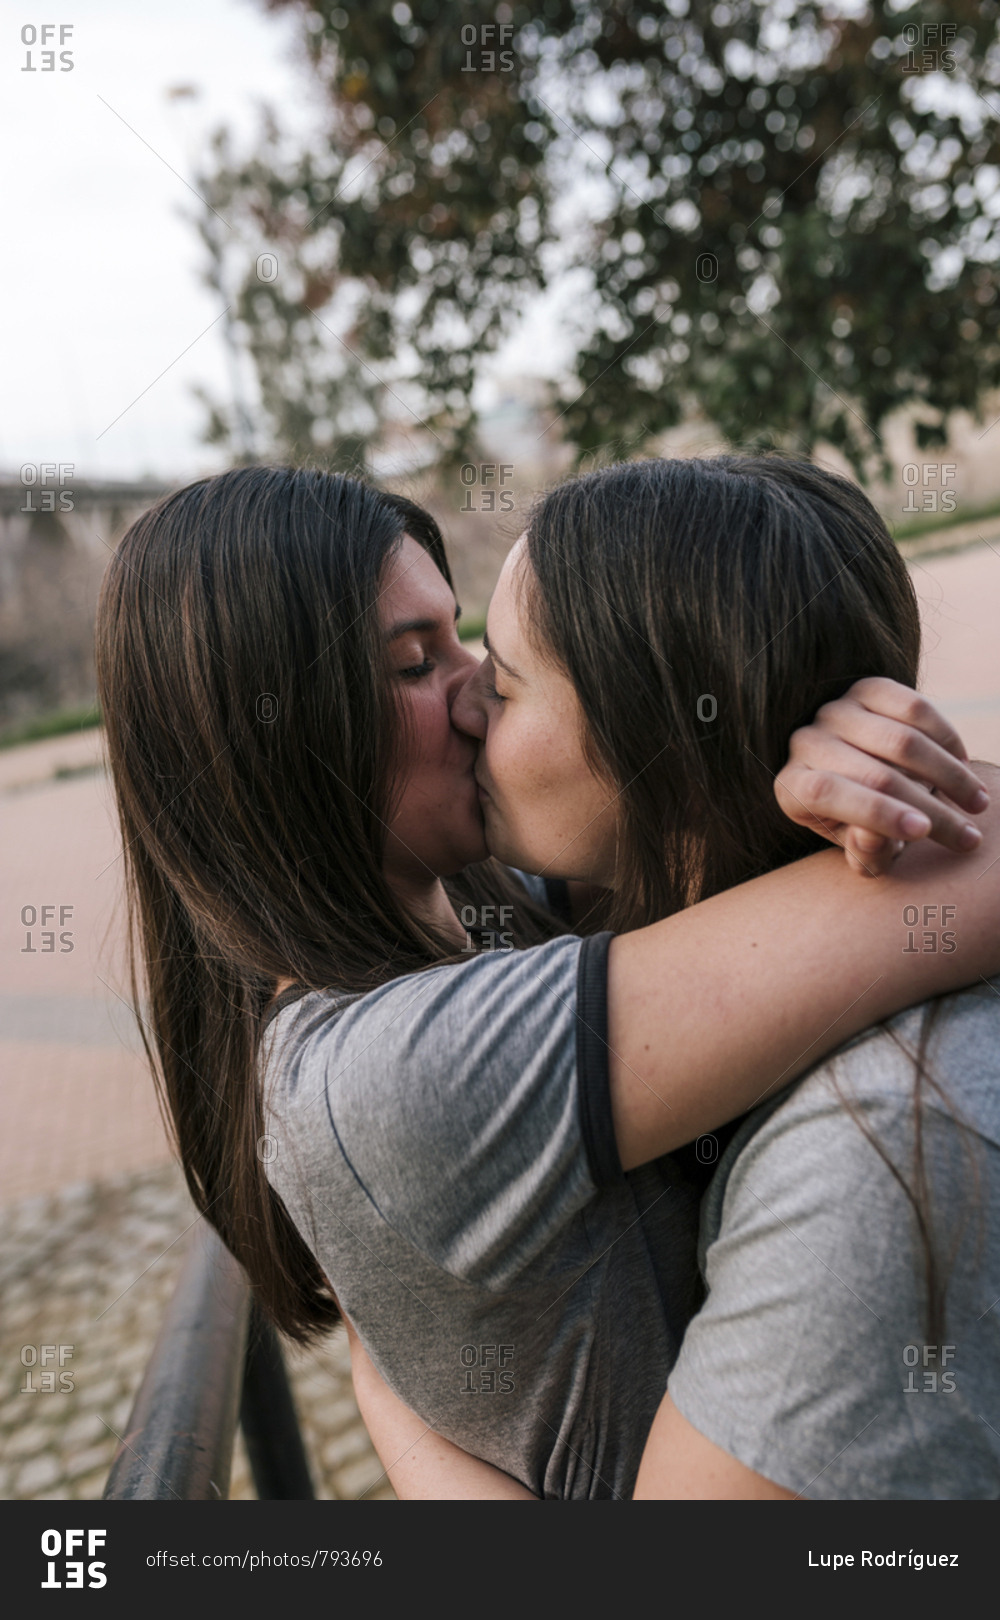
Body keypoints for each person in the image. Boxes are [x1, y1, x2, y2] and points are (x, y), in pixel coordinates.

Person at [94, 459, 999, 1501]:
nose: (475, 695)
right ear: (284, 741)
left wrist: (830, 768)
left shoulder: (491, 916)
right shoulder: (390, 1071)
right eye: (413, 663)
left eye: (468, 643)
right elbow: (943, 904)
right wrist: (902, 804)